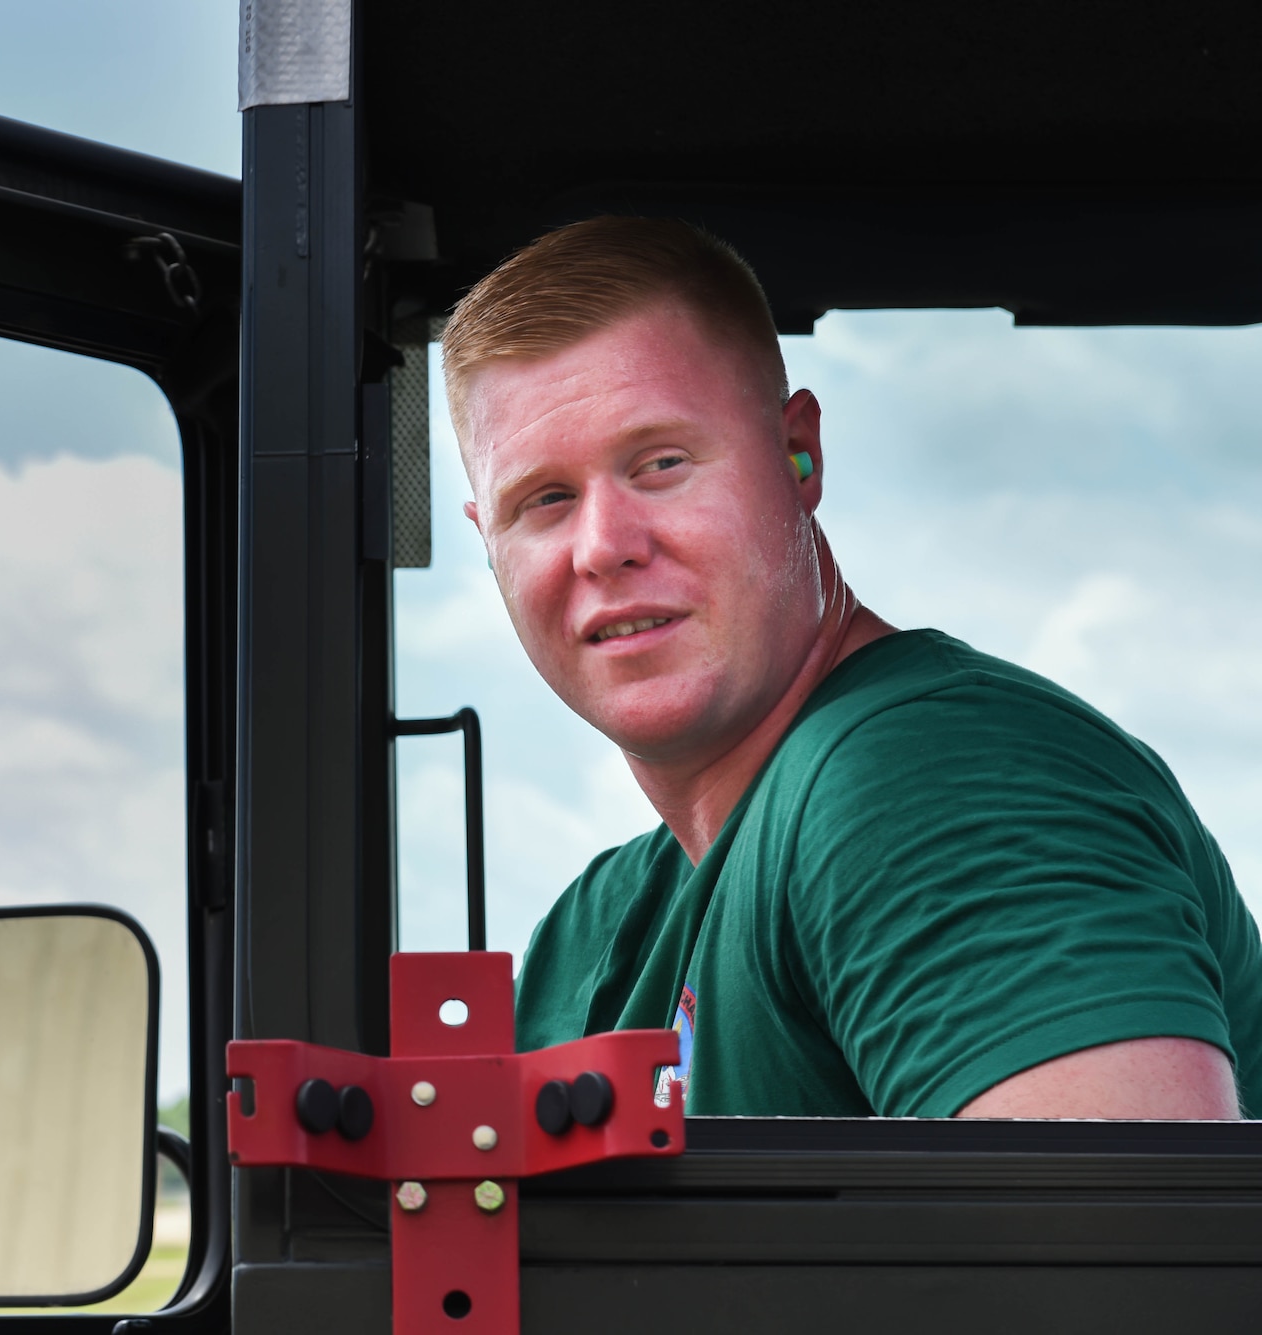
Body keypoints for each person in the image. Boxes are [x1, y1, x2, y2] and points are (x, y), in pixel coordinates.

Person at [443, 216, 1262, 1118]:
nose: (604, 547)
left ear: (801, 455)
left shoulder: (926, 789)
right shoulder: (589, 934)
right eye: (546, 500)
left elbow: (1117, 1251)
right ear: (490, 544)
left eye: (662, 463)